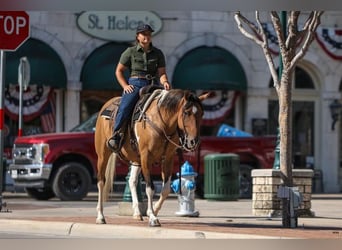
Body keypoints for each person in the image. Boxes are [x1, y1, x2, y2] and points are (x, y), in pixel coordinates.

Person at [107, 23, 171, 152]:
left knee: (168, 105)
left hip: (153, 85)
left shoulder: (158, 53)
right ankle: (116, 134)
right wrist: (125, 86)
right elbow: (118, 71)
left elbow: (162, 73)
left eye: (149, 33)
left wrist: (165, 82)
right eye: (144, 34)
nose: (147, 36)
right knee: (125, 107)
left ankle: (171, 137)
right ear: (138, 36)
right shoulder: (130, 52)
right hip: (135, 84)